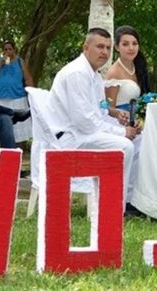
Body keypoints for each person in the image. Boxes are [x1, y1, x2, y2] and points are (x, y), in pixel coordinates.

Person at [46, 28, 141, 214]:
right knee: (125, 146)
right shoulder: (77, 73)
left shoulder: (94, 75)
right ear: (86, 47)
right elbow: (85, 122)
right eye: (99, 47)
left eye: (107, 47)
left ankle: (130, 201)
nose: (104, 52)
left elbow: (100, 112)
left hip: (83, 133)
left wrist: (120, 120)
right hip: (69, 138)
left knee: (138, 140)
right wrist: (122, 133)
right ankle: (113, 208)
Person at [0, 40, 34, 142]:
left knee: (17, 126)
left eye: (10, 49)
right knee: (0, 123)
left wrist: (33, 94)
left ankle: (17, 150)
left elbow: (28, 78)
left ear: (14, 50)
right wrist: (0, 62)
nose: (8, 51)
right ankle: (1, 149)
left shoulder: (19, 61)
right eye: (5, 49)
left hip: (17, 97)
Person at [104, 25, 150, 121]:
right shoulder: (114, 73)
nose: (131, 48)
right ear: (117, 47)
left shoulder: (138, 66)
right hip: (120, 123)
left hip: (138, 121)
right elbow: (108, 108)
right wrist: (123, 117)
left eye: (134, 44)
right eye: (125, 44)